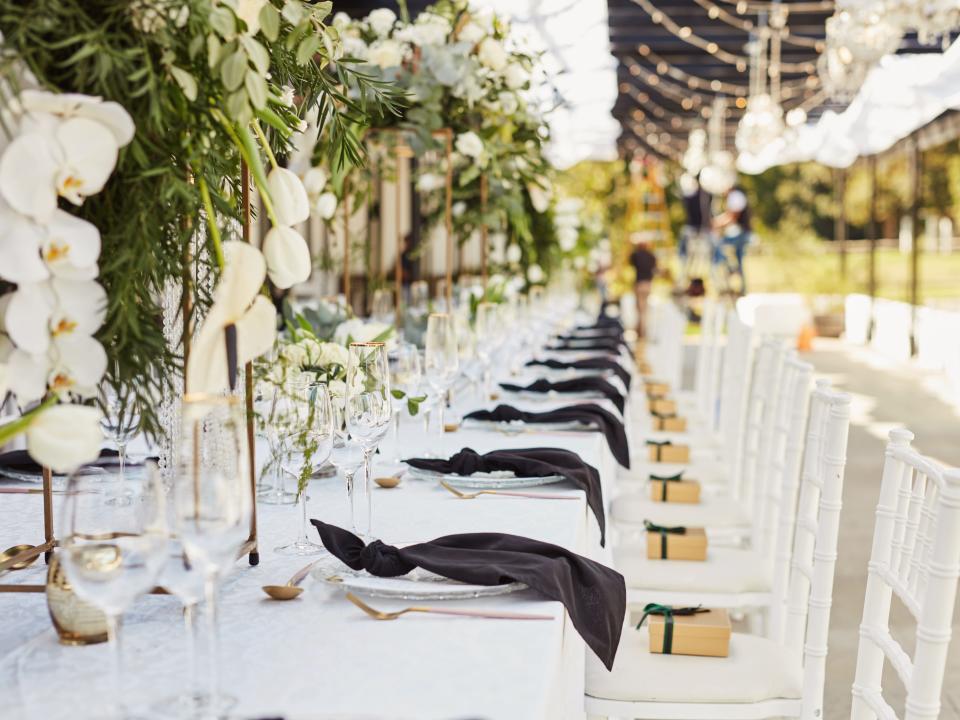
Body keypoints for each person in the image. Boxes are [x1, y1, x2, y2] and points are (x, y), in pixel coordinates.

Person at [712, 185, 752, 293]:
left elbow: (732, 217)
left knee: (719, 247)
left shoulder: (735, 196)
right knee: (738, 259)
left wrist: (716, 223)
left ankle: (731, 269)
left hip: (741, 233)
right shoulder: (735, 195)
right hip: (742, 232)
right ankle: (740, 284)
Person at [629, 239, 657, 339]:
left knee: (640, 309)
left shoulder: (637, 255)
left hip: (640, 283)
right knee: (643, 308)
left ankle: (642, 331)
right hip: (648, 284)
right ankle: (640, 329)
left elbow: (631, 261)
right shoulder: (651, 256)